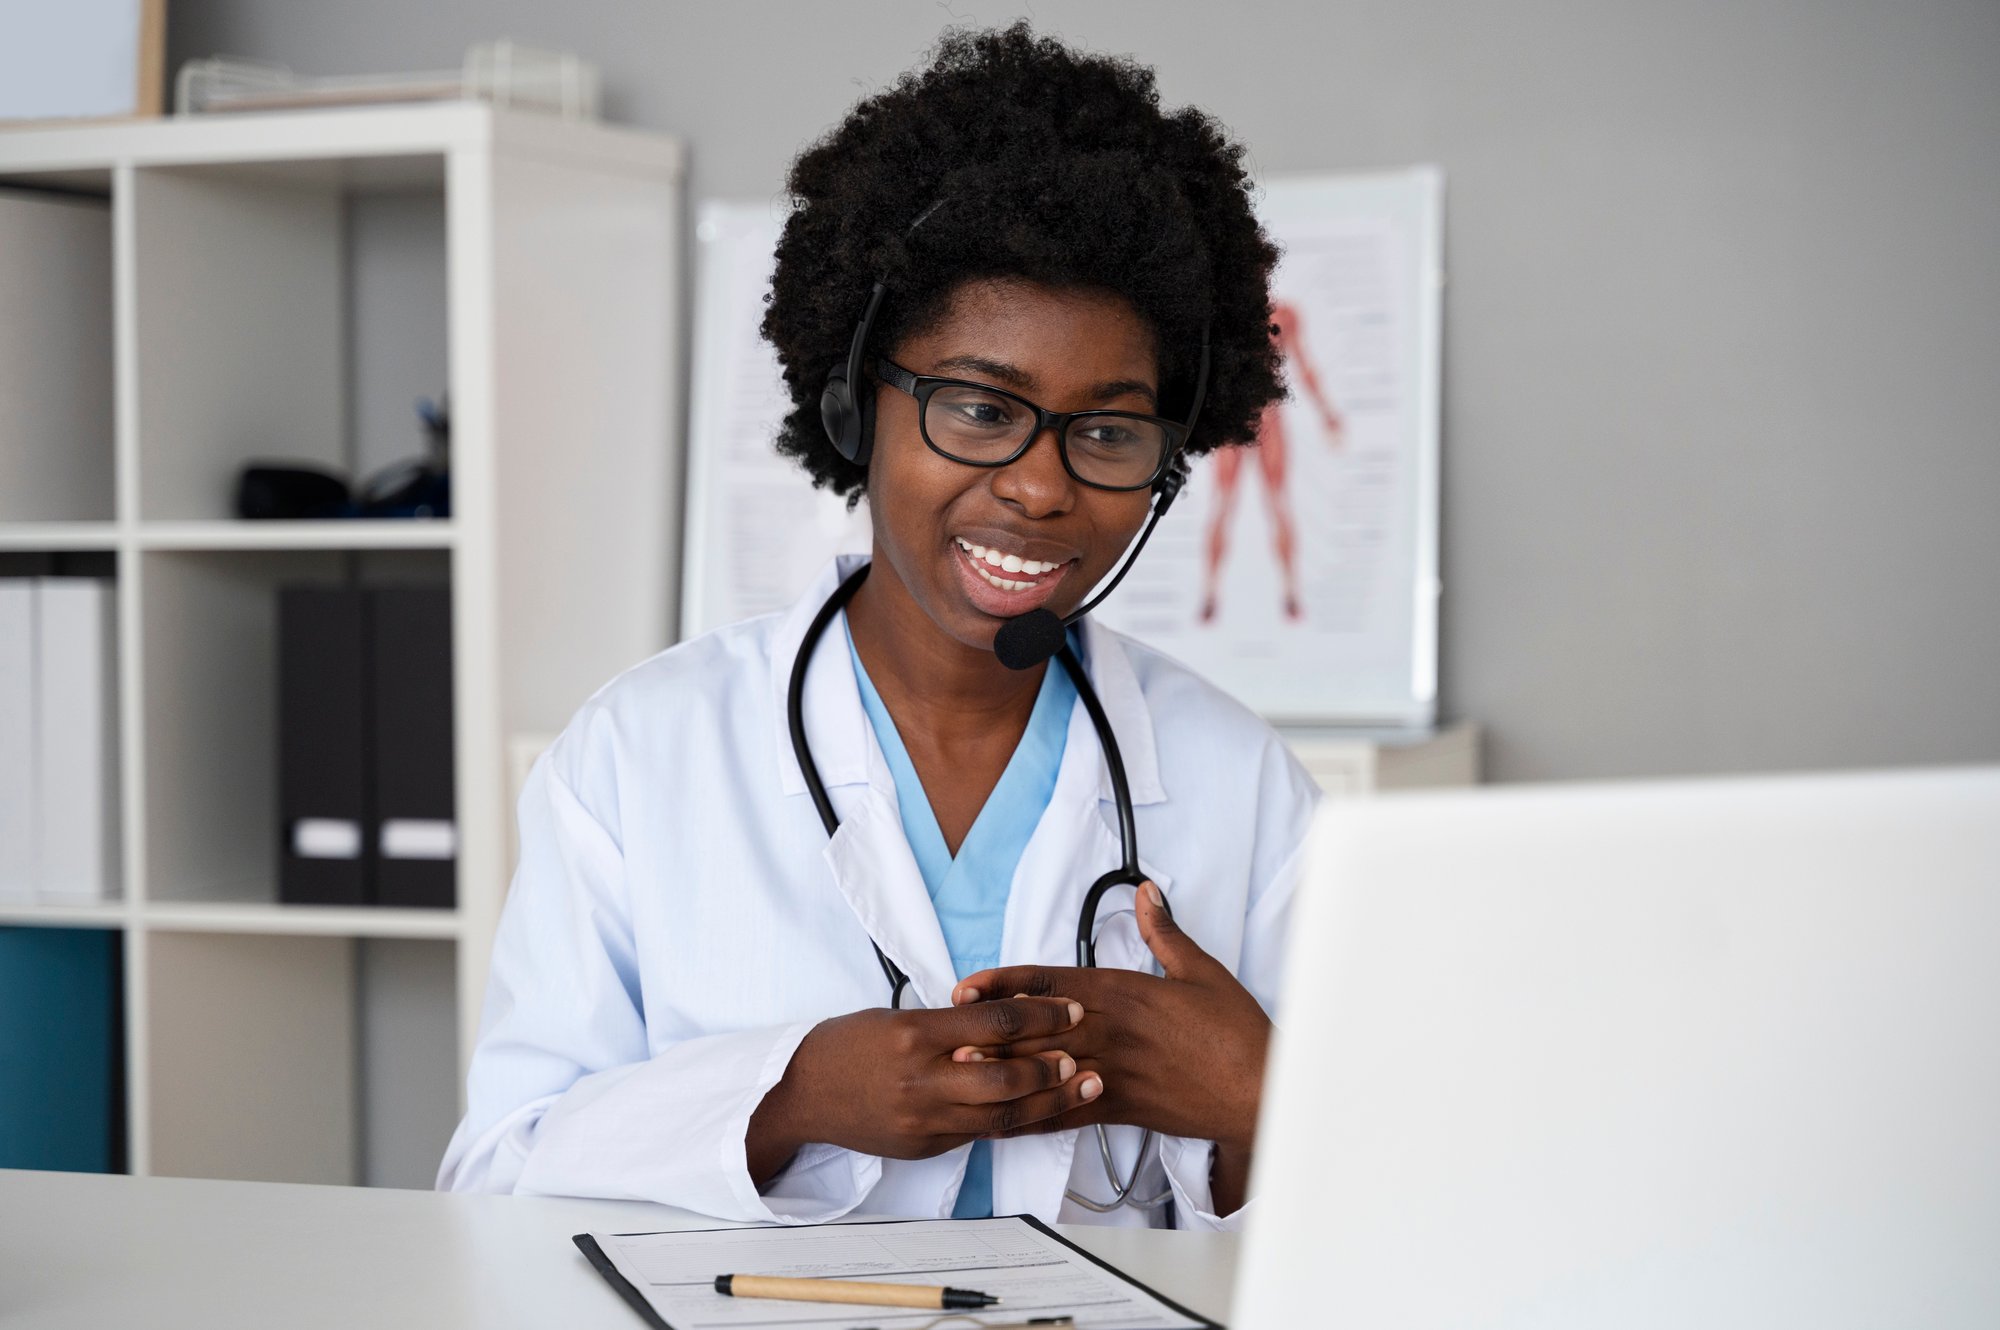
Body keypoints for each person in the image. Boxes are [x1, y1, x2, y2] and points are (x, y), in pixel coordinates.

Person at [438, 23, 1319, 1231]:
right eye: (977, 407)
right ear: (856, 403)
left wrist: (1259, 1099)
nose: (1039, 487)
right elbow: (492, 1178)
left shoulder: (1243, 784)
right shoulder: (639, 756)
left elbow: (1363, 1243)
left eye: (1107, 432)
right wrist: (789, 1095)